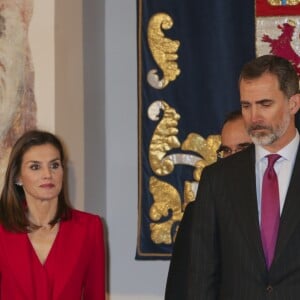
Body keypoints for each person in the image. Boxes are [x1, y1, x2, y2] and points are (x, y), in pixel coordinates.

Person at [165, 54, 300, 299]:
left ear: (293, 104)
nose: (254, 117)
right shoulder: (217, 179)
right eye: (246, 106)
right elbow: (201, 276)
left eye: (265, 104)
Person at [0, 130, 105, 299]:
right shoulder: (2, 230)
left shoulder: (89, 227)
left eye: (54, 165)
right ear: (18, 177)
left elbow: (95, 295)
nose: (48, 175)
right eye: (35, 167)